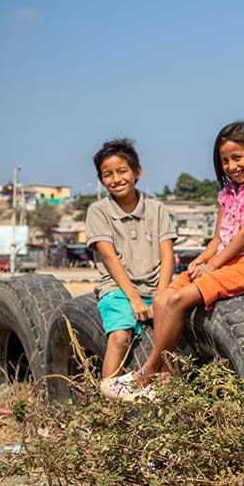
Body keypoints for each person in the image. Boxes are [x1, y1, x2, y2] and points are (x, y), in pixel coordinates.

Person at [99, 121, 244, 400]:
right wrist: (200, 261)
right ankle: (167, 377)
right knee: (163, 298)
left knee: (176, 301)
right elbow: (217, 240)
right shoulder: (226, 193)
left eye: (238, 157)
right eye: (225, 160)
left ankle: (147, 372)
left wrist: (214, 265)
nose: (232, 166)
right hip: (226, 259)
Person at [84, 138, 177, 384]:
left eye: (122, 171)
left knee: (167, 346)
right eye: (108, 174)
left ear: (137, 172)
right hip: (119, 290)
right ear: (101, 179)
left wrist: (161, 295)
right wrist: (134, 299)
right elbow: (108, 256)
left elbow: (167, 255)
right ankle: (110, 396)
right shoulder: (98, 211)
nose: (116, 179)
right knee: (120, 338)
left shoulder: (156, 209)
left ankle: (165, 397)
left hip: (157, 287)